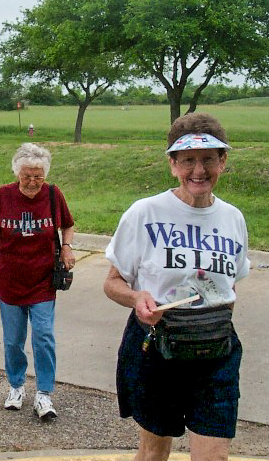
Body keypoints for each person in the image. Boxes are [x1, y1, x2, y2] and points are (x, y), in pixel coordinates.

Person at [103, 113, 250, 461]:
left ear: (223, 162)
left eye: (208, 159)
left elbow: (230, 288)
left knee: (214, 456)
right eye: (188, 161)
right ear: (173, 164)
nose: (198, 170)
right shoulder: (145, 213)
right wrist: (137, 297)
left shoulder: (234, 219)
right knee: (154, 453)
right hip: (158, 347)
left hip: (216, 351)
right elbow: (112, 283)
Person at [0, 143, 75, 421]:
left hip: (43, 280)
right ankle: (16, 386)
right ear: (17, 173)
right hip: (10, 281)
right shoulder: (3, 197)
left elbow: (68, 224)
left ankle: (44, 393)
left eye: (38, 176)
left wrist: (67, 246)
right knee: (13, 341)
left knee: (43, 337)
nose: (33, 182)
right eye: (27, 176)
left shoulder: (54, 195)